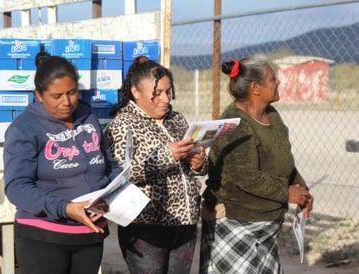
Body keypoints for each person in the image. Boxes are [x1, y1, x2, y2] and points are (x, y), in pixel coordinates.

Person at [3, 52, 122, 274]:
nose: (67, 102)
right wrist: (65, 209)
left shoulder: (88, 117)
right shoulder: (24, 129)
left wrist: (112, 193)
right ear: (38, 95)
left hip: (90, 234)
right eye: (57, 96)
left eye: (72, 93)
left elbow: (109, 164)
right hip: (44, 237)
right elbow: (17, 187)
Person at [199, 54, 314, 274]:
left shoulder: (272, 115)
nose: (278, 81)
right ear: (256, 88)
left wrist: (302, 189)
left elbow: (283, 161)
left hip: (267, 223)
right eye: (273, 78)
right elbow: (245, 177)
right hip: (235, 222)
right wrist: (286, 192)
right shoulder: (235, 125)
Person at [104, 56, 207, 274]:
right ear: (135, 92)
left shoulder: (177, 119)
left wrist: (199, 164)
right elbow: (120, 175)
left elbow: (193, 166)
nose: (165, 99)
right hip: (146, 225)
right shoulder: (123, 124)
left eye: (168, 92)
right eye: (157, 93)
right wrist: (166, 155)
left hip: (185, 222)